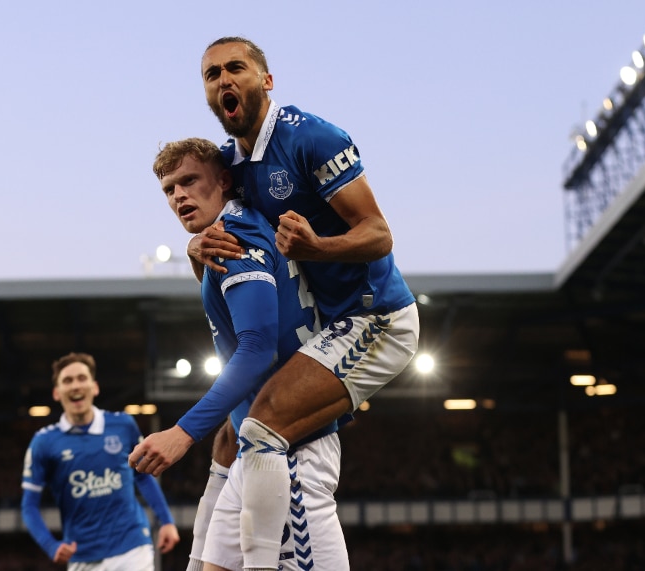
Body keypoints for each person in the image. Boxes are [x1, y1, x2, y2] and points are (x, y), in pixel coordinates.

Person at [186, 37, 421, 570]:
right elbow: (219, 256)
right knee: (229, 437)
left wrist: (318, 247)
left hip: (374, 317)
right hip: (321, 326)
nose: (224, 79)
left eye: (236, 68)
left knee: (262, 424)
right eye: (212, 74)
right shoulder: (230, 166)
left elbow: (379, 234)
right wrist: (195, 247)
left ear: (266, 80)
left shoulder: (312, 138)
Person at [129, 138, 348, 570]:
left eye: (189, 181)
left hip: (291, 453)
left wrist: (182, 433)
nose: (179, 196)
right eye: (170, 189)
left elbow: (257, 351)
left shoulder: (236, 237)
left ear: (225, 180)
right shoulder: (231, 231)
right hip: (256, 450)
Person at [21, 352, 180, 570]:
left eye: (82, 378)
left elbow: (142, 477)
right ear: (56, 393)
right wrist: (50, 545)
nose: (76, 385)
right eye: (67, 380)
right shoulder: (43, 442)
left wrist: (166, 520)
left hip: (132, 546)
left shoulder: (123, 425)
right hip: (82, 555)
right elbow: (29, 505)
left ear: (94, 387)